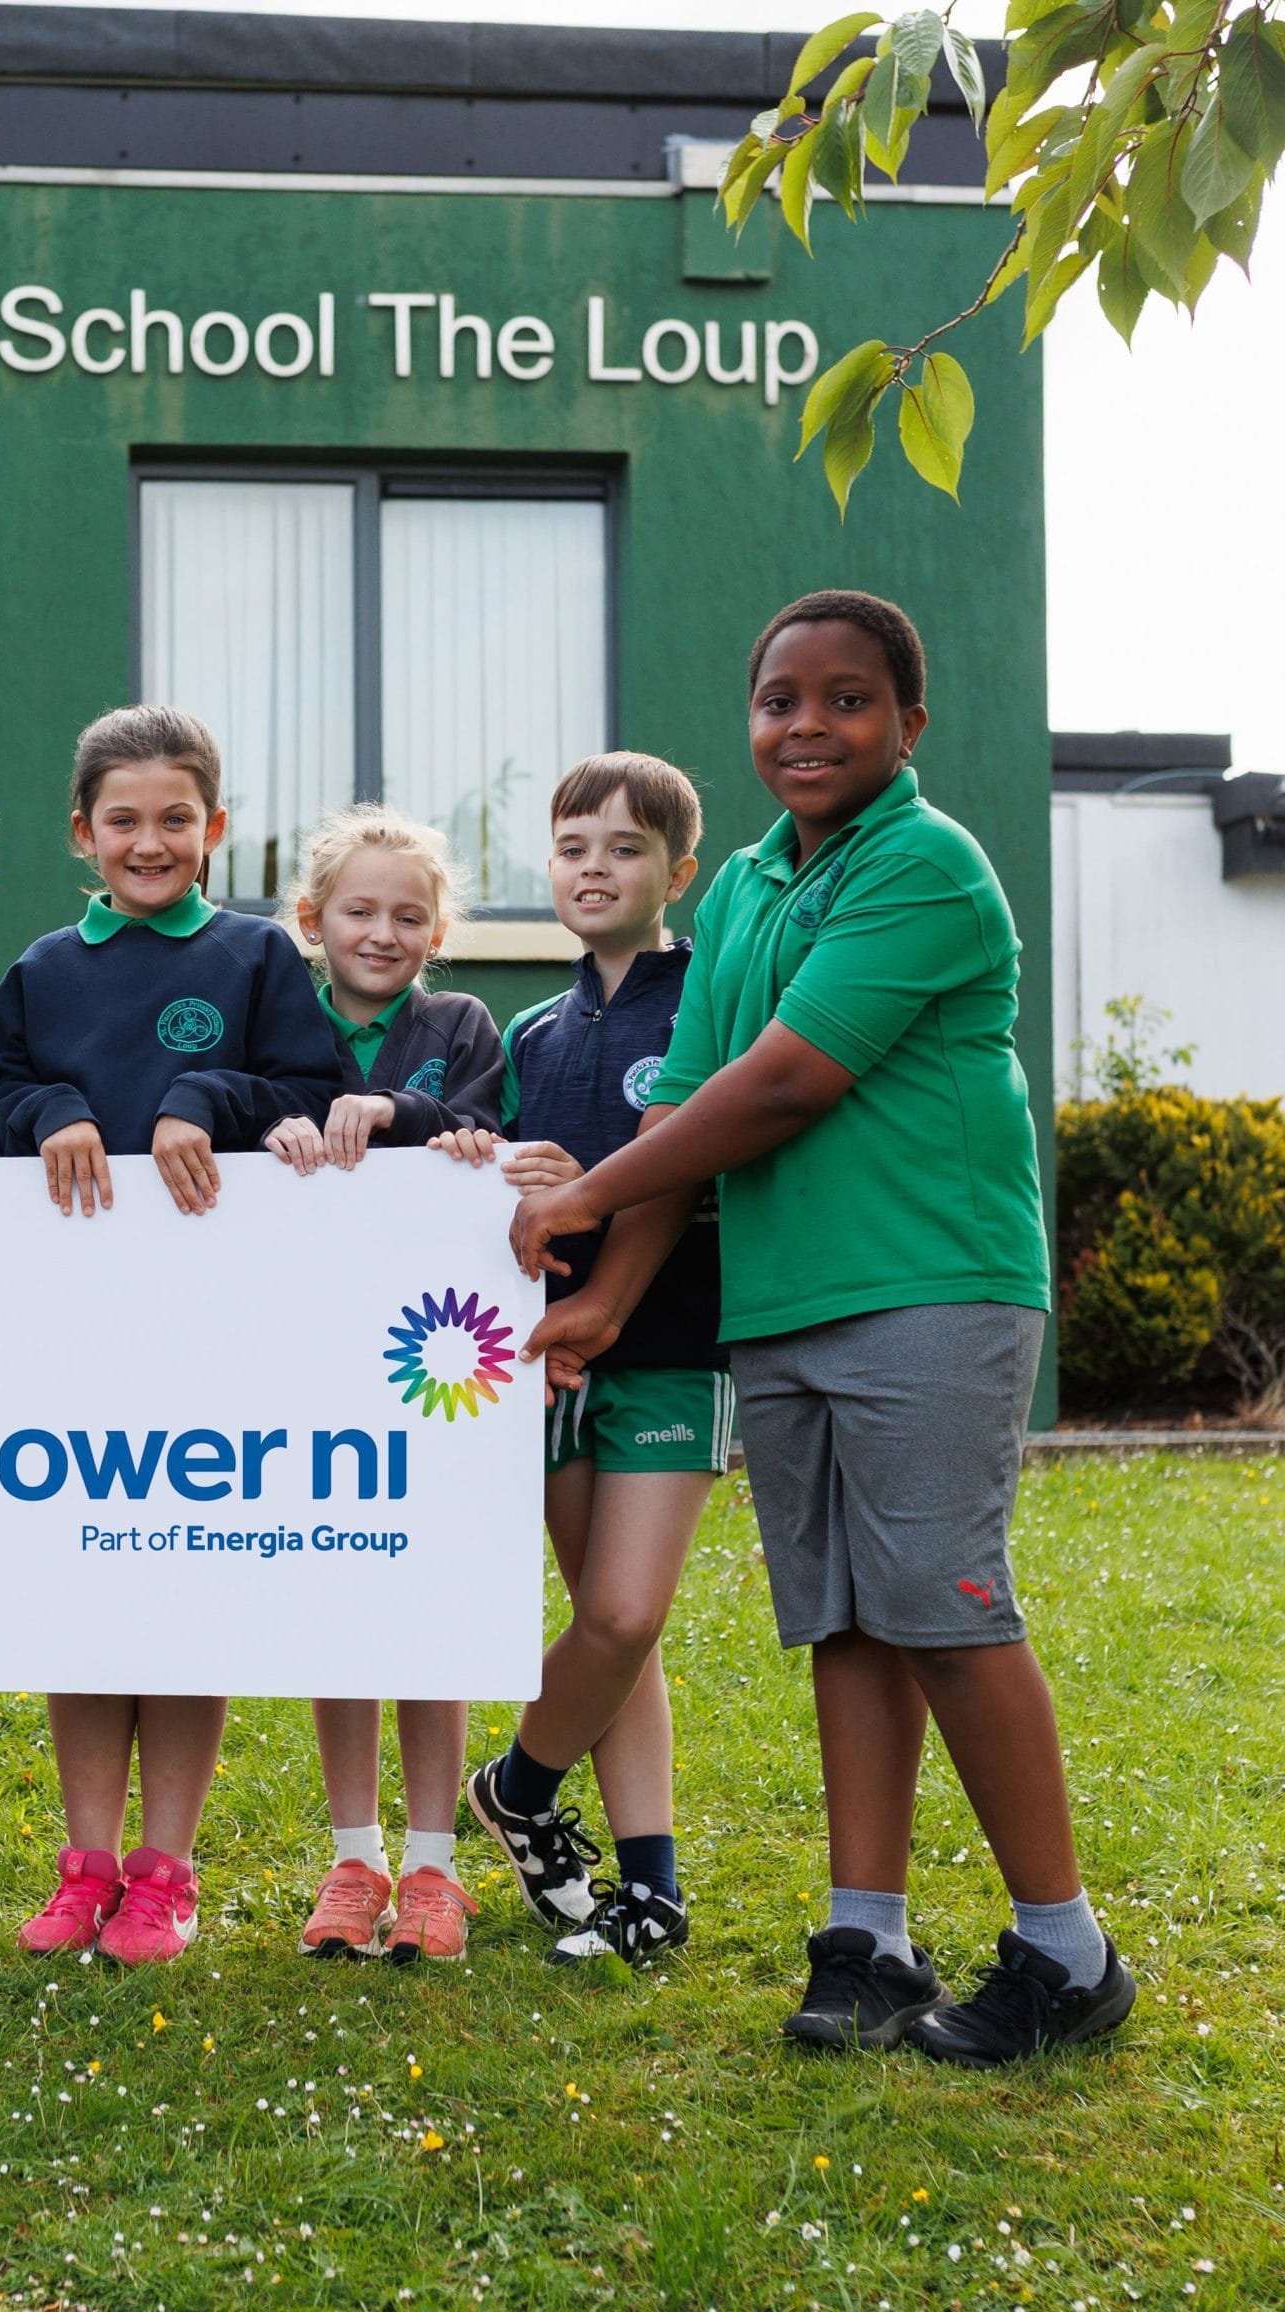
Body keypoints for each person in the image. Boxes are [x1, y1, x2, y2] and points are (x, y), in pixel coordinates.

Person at [510, 591, 1135, 2063]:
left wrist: (585, 1194)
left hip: (928, 1282)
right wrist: (606, 1293)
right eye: (779, 699)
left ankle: (1067, 1953)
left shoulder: (923, 866)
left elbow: (784, 1084)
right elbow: (693, 1098)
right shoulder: (737, 890)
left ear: (908, 725)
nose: (807, 725)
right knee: (847, 1622)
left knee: (942, 1604)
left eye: (845, 700)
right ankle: (868, 1940)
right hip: (782, 1301)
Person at [0, 705, 341, 1963]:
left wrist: (200, 1098)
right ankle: (84, 1865)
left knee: (182, 1582)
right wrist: (57, 1111)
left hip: (216, 1331)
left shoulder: (255, 958)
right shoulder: (37, 968)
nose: (149, 841)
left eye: (174, 819)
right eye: (122, 820)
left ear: (214, 829)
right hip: (66, 1329)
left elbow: (308, 1088)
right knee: (84, 1587)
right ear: (83, 834)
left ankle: (164, 1871)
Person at [444, 753, 729, 1969]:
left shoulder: (709, 999)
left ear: (679, 870)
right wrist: (480, 1156)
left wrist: (597, 1189)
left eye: (622, 848)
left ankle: (514, 1782)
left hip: (672, 1344)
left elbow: (706, 1160)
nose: (594, 868)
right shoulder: (530, 1027)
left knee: (621, 1612)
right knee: (612, 1628)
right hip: (548, 1357)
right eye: (571, 848)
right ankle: (648, 1885)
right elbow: (506, 1183)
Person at [259, 804, 503, 1963]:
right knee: (338, 1610)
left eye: (410, 913)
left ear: (438, 926)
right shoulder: (279, 1020)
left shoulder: (459, 1022)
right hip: (303, 1354)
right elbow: (233, 1103)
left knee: (428, 1613)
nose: (383, 930)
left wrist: (416, 1119)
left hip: (428, 1372)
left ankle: (433, 1864)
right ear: (312, 919)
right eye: (359, 909)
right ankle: (354, 1856)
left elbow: (484, 1128)